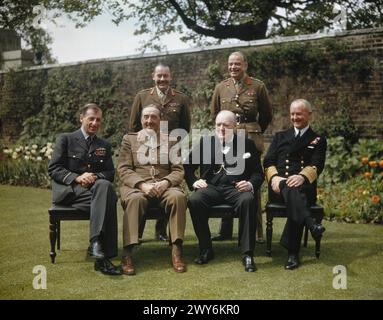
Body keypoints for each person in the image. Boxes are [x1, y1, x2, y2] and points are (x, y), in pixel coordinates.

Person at [184, 110, 264, 272]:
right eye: (218, 125)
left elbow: (258, 173)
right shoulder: (205, 143)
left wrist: (249, 184)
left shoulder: (247, 144)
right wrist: (194, 181)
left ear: (234, 126)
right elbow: (187, 167)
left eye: (226, 125)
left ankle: (247, 254)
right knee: (194, 200)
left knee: (248, 199)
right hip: (211, 188)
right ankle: (206, 249)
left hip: (236, 189)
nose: (221, 128)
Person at [48, 103, 121, 276]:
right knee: (108, 198)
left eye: (98, 120)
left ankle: (96, 246)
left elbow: (110, 172)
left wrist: (94, 177)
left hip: (93, 193)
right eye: (91, 119)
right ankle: (105, 253)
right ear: (81, 118)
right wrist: (77, 177)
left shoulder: (104, 144)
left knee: (104, 186)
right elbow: (54, 168)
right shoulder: (65, 139)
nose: (95, 123)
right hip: (70, 192)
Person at [210, 51, 272, 243]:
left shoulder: (257, 86)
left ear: (245, 65)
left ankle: (256, 232)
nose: (233, 67)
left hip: (250, 135)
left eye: (237, 64)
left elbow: (266, 114)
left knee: (252, 180)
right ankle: (225, 231)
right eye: (230, 64)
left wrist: (254, 130)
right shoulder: (221, 87)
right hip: (227, 137)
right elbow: (214, 114)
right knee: (225, 177)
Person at [118, 105, 187, 275]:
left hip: (164, 187)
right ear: (141, 120)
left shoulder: (171, 140)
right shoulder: (130, 139)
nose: (149, 121)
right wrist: (142, 185)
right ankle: (128, 252)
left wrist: (166, 182)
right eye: (146, 117)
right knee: (135, 200)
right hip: (138, 187)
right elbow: (124, 169)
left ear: (160, 120)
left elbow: (179, 170)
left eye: (153, 117)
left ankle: (176, 250)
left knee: (178, 197)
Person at [129, 63, 191, 242]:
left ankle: (161, 230)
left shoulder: (180, 98)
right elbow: (133, 125)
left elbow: (185, 127)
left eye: (166, 76)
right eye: (159, 76)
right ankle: (137, 233)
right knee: (143, 188)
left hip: (170, 150)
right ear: (153, 77)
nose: (162, 79)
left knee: (167, 186)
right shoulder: (142, 96)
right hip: (145, 148)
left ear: (170, 77)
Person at [263, 99, 327, 270]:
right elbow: (268, 160)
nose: (295, 117)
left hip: (303, 186)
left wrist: (302, 177)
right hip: (279, 187)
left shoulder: (318, 139)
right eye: (292, 114)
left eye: (299, 113)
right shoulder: (280, 136)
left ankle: (293, 251)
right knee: (294, 193)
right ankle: (309, 227)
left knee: (296, 192)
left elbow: (317, 164)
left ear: (309, 115)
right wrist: (274, 177)